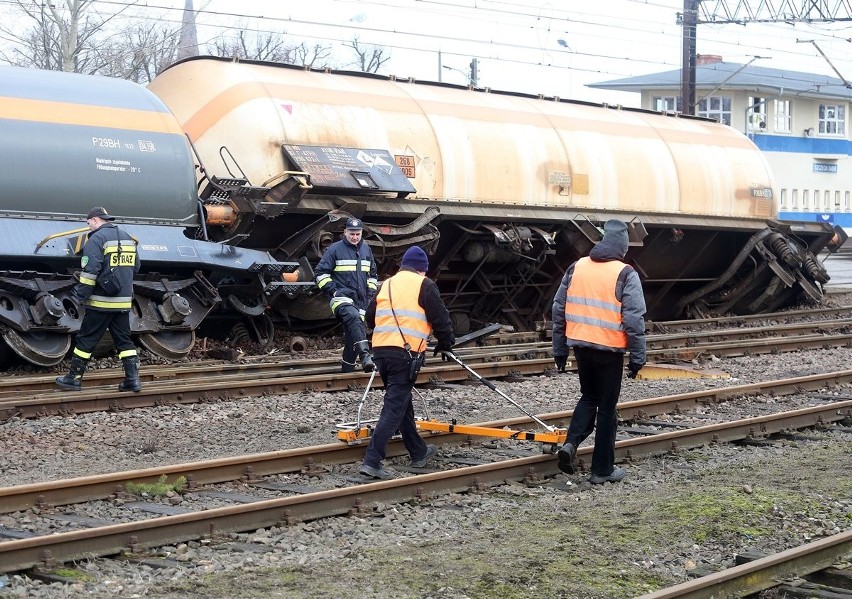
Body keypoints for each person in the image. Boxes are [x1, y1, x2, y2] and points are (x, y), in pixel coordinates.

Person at [551, 219, 646, 484]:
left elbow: (558, 309)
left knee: (588, 396)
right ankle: (602, 470)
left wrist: (559, 350)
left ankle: (570, 444)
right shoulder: (626, 274)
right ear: (623, 247)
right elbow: (634, 320)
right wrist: (638, 359)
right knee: (606, 408)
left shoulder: (577, 267)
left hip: (580, 346)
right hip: (609, 350)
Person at [359, 246, 455, 479]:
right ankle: (372, 461)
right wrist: (446, 342)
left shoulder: (386, 284)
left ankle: (418, 451)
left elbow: (370, 317)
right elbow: (440, 317)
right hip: (405, 354)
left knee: (401, 402)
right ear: (422, 269)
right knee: (393, 407)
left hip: (381, 352)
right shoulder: (424, 284)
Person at [56, 207, 142, 392]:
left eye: (88, 224)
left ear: (95, 220)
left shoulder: (96, 239)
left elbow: (90, 271)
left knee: (86, 340)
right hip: (123, 303)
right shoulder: (127, 237)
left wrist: (80, 296)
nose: (88, 228)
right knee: (124, 341)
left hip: (101, 303)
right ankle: (133, 380)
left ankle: (74, 378)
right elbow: (136, 267)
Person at [315, 217, 378, 373]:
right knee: (354, 318)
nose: (355, 237)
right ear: (345, 232)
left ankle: (347, 370)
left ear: (361, 233)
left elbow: (372, 275)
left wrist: (370, 294)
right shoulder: (335, 249)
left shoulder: (366, 249)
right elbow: (320, 274)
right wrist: (334, 291)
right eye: (352, 233)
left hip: (362, 300)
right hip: (341, 298)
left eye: (357, 234)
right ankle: (365, 356)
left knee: (353, 332)